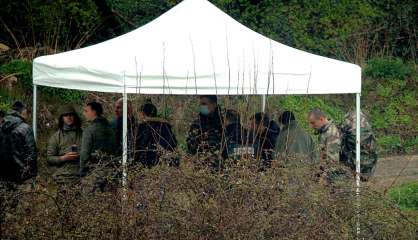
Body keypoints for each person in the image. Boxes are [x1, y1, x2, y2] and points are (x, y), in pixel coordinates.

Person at [79, 101, 116, 191]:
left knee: (90, 202)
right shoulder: (111, 129)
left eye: (86, 111)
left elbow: (84, 155)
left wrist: (82, 172)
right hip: (111, 172)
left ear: (94, 112)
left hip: (93, 172)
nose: (84, 114)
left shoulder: (89, 131)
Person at [308, 108, 350, 183]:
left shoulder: (331, 134)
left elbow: (332, 163)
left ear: (321, 119)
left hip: (335, 180)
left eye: (313, 123)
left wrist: (321, 182)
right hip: (329, 176)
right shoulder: (324, 132)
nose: (311, 126)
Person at [0, 101, 37, 184]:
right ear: (23, 112)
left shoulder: (2, 125)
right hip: (21, 174)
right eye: (27, 111)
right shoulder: (25, 128)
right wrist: (32, 174)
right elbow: (32, 153)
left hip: (3, 174)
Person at [134, 101, 177, 167]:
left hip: (148, 163)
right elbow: (173, 144)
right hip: (165, 163)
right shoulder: (165, 125)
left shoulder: (142, 127)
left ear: (142, 113)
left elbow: (138, 146)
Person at [46, 105, 82, 185]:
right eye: (66, 115)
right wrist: (63, 158)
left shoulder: (84, 134)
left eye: (71, 115)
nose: (69, 117)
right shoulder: (56, 137)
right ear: (62, 118)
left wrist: (81, 155)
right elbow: (49, 158)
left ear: (75, 116)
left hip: (82, 176)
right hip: (62, 177)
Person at [186, 95, 223, 170]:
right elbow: (191, 146)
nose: (202, 107)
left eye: (204, 104)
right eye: (201, 104)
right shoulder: (197, 124)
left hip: (221, 165)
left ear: (214, 104)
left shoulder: (223, 121)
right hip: (202, 165)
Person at [340, 110, 378, 181]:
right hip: (368, 166)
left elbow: (341, 142)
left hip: (352, 167)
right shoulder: (368, 130)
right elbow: (374, 150)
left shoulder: (347, 129)